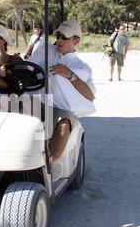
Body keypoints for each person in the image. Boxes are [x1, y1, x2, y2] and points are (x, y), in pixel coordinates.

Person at [28, 19, 96, 165]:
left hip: (59, 109)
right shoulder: (45, 50)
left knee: (64, 123)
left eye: (64, 37)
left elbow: (90, 96)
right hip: (36, 102)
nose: (59, 39)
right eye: (58, 35)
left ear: (76, 40)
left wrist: (71, 75)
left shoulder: (82, 67)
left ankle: (48, 165)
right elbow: (29, 65)